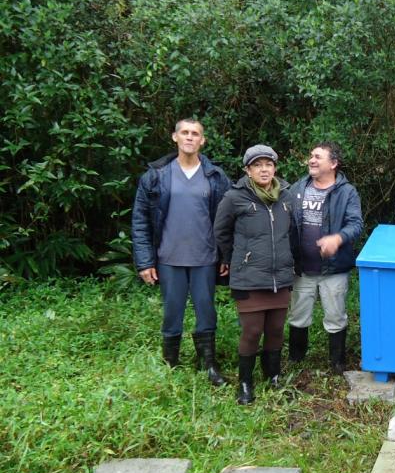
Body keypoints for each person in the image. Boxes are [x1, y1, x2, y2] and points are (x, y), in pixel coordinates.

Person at [132, 118, 230, 386]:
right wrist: (145, 262)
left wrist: (226, 255)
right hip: (168, 258)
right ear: (175, 137)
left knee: (206, 310)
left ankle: (208, 364)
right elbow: (140, 220)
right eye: (184, 132)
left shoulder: (215, 176)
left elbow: (228, 219)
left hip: (205, 258)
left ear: (202, 140)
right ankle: (171, 364)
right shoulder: (156, 176)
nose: (189, 137)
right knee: (172, 311)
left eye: (195, 133)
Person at [214, 145, 295, 405]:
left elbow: (292, 233)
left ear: (275, 168)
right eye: (257, 165)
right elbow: (221, 232)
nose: (264, 169)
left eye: (268, 164)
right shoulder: (234, 197)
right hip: (248, 276)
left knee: (276, 329)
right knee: (252, 331)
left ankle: (273, 376)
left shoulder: (287, 196)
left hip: (280, 276)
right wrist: (235, 258)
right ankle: (245, 383)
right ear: (247, 170)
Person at [288, 142, 363, 374]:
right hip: (302, 268)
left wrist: (338, 238)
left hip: (334, 268)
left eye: (318, 157)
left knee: (336, 316)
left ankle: (337, 363)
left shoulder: (347, 192)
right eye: (311, 156)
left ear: (333, 163)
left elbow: (356, 224)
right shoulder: (297, 188)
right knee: (298, 315)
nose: (311, 160)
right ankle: (296, 359)